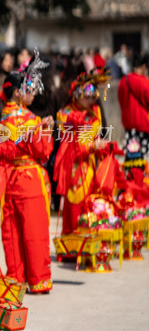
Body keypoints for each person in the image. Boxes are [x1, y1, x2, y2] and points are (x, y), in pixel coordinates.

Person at [0, 53, 54, 293]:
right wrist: (45, 129)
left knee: (13, 231)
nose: (34, 93)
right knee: (34, 231)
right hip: (30, 178)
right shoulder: (30, 120)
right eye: (30, 88)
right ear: (19, 91)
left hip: (10, 179)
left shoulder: (3, 118)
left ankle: (16, 278)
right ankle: (38, 279)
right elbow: (43, 151)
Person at [54, 69, 110, 234]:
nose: (91, 100)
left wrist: (101, 148)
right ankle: (73, 244)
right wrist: (93, 147)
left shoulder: (95, 112)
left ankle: (89, 245)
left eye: (94, 97)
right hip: (74, 168)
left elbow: (96, 136)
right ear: (77, 94)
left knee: (92, 205)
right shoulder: (65, 115)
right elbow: (70, 147)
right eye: (88, 96)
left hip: (91, 165)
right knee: (75, 205)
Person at [117, 53, 149, 179]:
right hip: (142, 125)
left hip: (128, 126)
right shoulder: (143, 82)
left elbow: (120, 100)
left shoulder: (123, 81)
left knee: (131, 157)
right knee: (144, 158)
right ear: (143, 66)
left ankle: (130, 183)